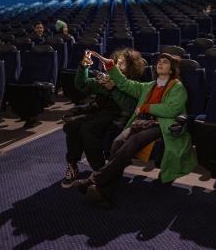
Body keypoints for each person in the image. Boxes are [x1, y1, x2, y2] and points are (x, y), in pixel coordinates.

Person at [73, 52, 197, 208]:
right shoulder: (149, 86)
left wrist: (146, 107)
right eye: (159, 62)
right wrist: (110, 65)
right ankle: (105, 194)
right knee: (118, 141)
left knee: (135, 140)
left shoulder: (177, 87)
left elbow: (172, 110)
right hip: (143, 123)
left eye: (165, 62)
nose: (160, 64)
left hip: (163, 125)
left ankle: (94, 180)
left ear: (171, 70)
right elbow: (124, 84)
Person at [61, 48, 144, 188]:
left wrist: (113, 88)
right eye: (117, 62)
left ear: (131, 66)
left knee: (87, 128)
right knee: (72, 123)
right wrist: (83, 67)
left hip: (115, 116)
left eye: (123, 63)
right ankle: (72, 164)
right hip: (97, 111)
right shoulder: (105, 77)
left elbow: (128, 106)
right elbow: (82, 85)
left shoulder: (132, 83)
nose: (118, 65)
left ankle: (99, 170)